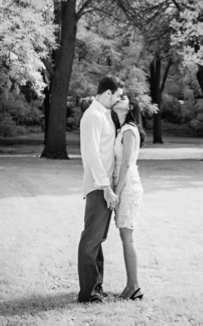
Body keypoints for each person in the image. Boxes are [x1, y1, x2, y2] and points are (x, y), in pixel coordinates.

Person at [76, 75, 123, 303]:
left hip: (104, 186)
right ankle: (88, 293)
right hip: (97, 187)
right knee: (91, 239)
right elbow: (91, 155)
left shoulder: (104, 116)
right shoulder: (93, 117)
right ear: (108, 93)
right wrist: (105, 187)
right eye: (117, 96)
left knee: (98, 239)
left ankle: (96, 286)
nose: (117, 100)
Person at [112, 95, 145, 301]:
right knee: (125, 237)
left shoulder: (129, 130)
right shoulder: (122, 129)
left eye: (122, 97)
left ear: (130, 106)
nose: (117, 98)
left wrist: (115, 191)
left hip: (128, 186)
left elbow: (126, 165)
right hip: (123, 184)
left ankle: (134, 287)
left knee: (127, 236)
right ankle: (130, 286)